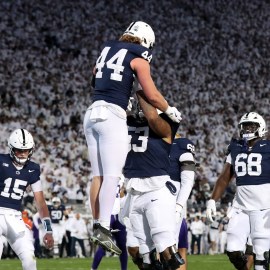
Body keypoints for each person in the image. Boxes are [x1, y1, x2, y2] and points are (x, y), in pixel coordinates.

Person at [83, 21, 182, 255]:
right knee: (113, 176)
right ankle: (103, 227)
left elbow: (95, 78)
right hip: (111, 115)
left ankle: (97, 221)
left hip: (91, 113)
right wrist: (168, 109)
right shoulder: (139, 56)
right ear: (146, 40)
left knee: (97, 176)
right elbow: (151, 93)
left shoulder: (107, 49)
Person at [122, 90, 183, 269]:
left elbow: (153, 118)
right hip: (133, 191)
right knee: (142, 255)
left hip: (156, 190)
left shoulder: (167, 123)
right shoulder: (129, 122)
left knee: (167, 251)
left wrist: (141, 89)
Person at [206, 112, 270, 270]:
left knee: (261, 256)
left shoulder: (268, 147)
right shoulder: (235, 147)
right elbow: (224, 177)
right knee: (233, 250)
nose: (247, 128)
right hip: (240, 207)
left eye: (251, 125)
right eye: (245, 125)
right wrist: (212, 200)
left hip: (264, 207)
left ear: (261, 128)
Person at [0, 128, 54, 269]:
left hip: (15, 217)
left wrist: (48, 230)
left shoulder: (33, 168)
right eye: (19, 150)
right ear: (11, 149)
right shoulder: (1, 161)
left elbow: (41, 203)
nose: (23, 153)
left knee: (30, 259)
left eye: (26, 150)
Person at [168, 135, 196, 269]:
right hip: (160, 202)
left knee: (177, 249)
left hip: (175, 205)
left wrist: (178, 207)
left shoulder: (181, 144)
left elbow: (188, 181)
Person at [91, 178, 128, 270]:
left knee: (121, 246)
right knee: (104, 245)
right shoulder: (103, 175)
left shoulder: (119, 176)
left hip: (115, 215)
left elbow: (122, 194)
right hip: (108, 215)